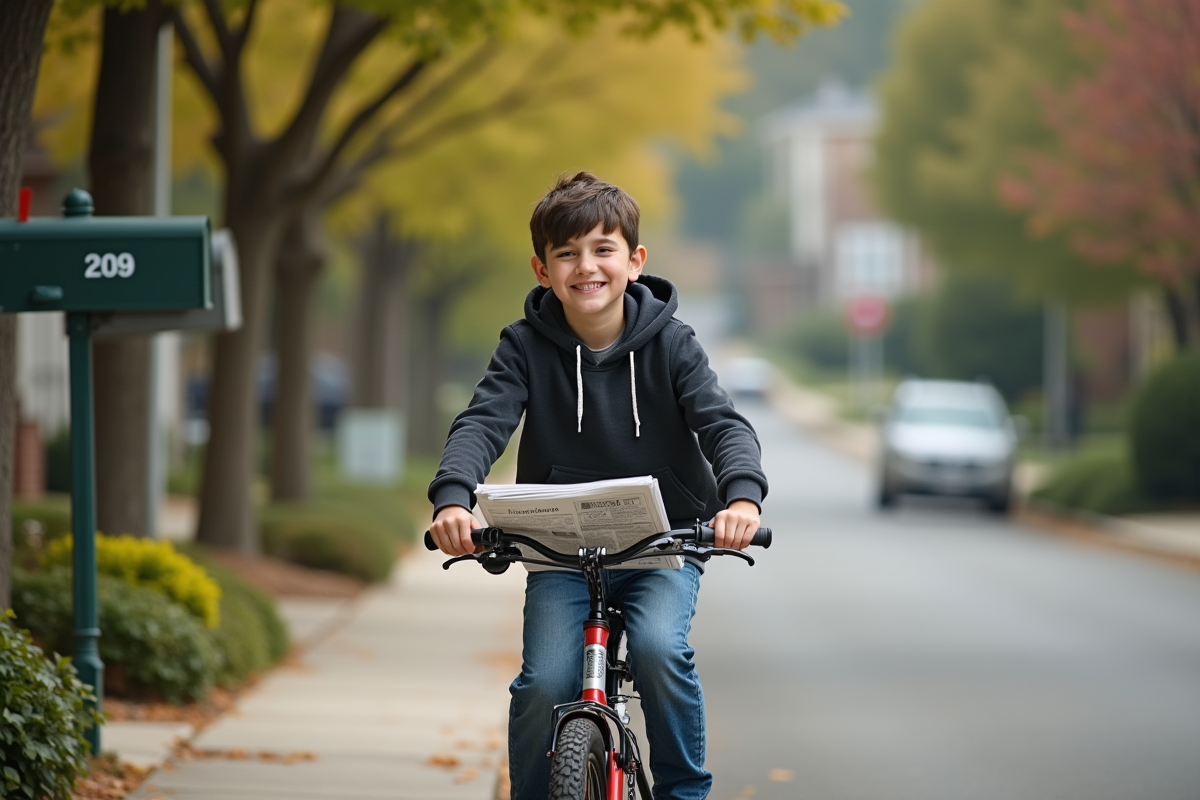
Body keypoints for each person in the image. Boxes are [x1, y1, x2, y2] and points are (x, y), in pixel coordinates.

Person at [427, 171, 768, 800]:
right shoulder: (524, 346)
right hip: (559, 552)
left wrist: (741, 497)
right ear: (542, 269)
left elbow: (721, 422)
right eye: (567, 253)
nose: (587, 266)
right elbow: (482, 422)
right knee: (543, 683)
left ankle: (682, 793)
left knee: (662, 653)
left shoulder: (672, 343)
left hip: (660, 548)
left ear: (634, 261)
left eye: (603, 249)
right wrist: (453, 499)